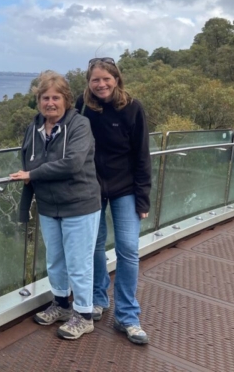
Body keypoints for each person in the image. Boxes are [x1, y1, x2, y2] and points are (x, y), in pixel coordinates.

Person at [11, 70, 101, 340]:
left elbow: (73, 163)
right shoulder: (35, 127)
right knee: (56, 260)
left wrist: (32, 174)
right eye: (45, 98)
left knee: (79, 262)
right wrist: (29, 172)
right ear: (38, 101)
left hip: (79, 204)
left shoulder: (79, 125)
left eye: (55, 97)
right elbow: (29, 158)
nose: (50, 103)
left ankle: (84, 315)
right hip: (49, 205)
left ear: (66, 99)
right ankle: (61, 305)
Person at [75, 57, 151, 345]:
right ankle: (98, 299)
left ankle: (128, 316)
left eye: (106, 78)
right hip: (92, 189)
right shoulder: (83, 109)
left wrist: (142, 199)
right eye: (95, 79)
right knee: (94, 245)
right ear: (89, 83)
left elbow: (142, 156)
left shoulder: (132, 108)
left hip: (127, 189)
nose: (101, 84)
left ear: (117, 79)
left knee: (128, 249)